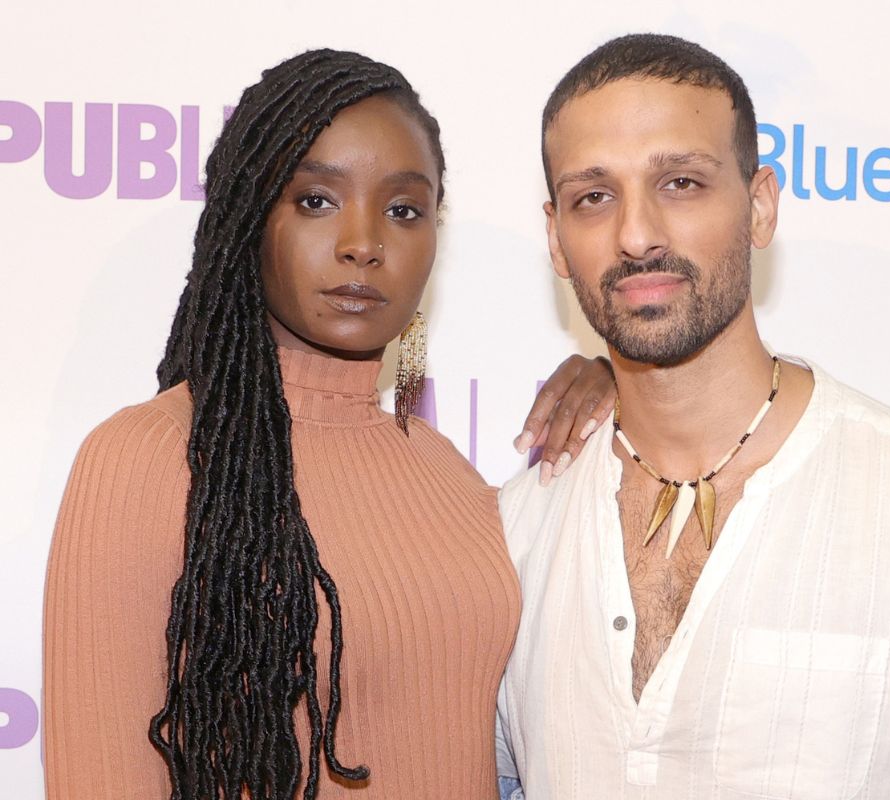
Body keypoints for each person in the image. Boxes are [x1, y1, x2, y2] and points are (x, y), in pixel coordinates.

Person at [496, 34, 890, 799]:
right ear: (557, 239)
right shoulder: (516, 530)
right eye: (593, 196)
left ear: (760, 206)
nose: (636, 234)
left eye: (683, 182)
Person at [43, 49, 614, 800]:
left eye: (403, 209)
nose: (363, 242)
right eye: (316, 199)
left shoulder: (449, 473)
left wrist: (628, 382)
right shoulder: (148, 459)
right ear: (249, 218)